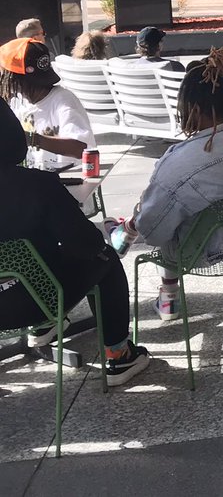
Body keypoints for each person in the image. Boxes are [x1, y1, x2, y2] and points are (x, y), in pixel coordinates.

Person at [117, 48, 223, 321]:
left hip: (200, 252)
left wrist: (140, 219)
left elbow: (152, 233)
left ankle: (166, 291)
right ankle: (126, 229)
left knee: (162, 217)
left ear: (193, 108)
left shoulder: (177, 164)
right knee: (171, 209)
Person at [0, 98, 151, 385]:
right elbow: (87, 245)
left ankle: (43, 327)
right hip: (37, 300)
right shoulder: (36, 185)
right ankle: (119, 355)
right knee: (105, 257)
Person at [0, 37, 96, 170]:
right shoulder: (17, 102)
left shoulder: (63, 100)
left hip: (65, 178)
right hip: (32, 178)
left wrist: (31, 139)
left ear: (14, 78)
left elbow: (81, 149)